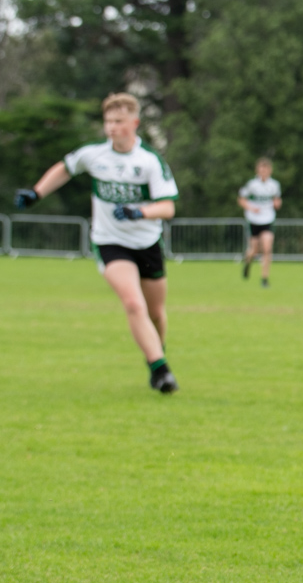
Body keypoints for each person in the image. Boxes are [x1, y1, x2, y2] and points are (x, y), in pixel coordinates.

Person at [13, 92, 180, 393]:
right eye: (108, 122)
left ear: (135, 123)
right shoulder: (94, 155)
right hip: (110, 242)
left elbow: (167, 207)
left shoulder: (149, 162)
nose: (112, 128)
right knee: (133, 303)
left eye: (118, 121)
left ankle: (156, 352)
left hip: (147, 243)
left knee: (155, 312)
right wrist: (36, 193)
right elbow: (64, 168)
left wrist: (138, 211)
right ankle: (161, 370)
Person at [238, 157, 282, 287]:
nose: (263, 172)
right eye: (261, 170)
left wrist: (277, 204)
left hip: (267, 219)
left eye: (266, 169)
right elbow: (241, 199)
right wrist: (251, 208)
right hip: (254, 220)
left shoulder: (274, 185)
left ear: (269, 170)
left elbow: (278, 200)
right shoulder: (252, 185)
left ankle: (264, 279)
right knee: (254, 250)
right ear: (257, 170)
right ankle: (247, 262)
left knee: (267, 249)